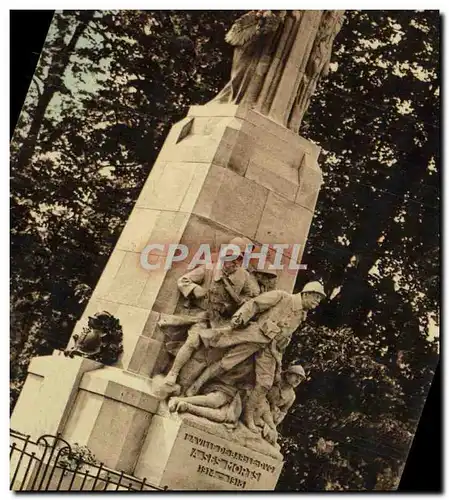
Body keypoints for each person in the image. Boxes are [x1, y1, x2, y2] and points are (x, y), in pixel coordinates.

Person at [182, 282, 326, 431]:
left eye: (319, 300)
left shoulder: (302, 315)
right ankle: (196, 386)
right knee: (226, 363)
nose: (317, 302)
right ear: (306, 293)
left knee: (264, 384)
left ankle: (248, 416)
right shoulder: (282, 297)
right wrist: (239, 317)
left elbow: (286, 333)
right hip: (255, 336)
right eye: (315, 297)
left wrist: (282, 345)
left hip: (270, 349)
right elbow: (255, 304)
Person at [159, 237, 260, 387]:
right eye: (231, 260)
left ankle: (192, 385)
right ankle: (173, 373)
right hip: (203, 316)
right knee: (192, 342)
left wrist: (240, 304)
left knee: (214, 356)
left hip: (223, 322)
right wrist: (195, 289)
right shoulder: (209, 269)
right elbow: (183, 280)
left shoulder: (244, 276)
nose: (235, 263)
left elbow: (253, 296)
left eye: (238, 260)